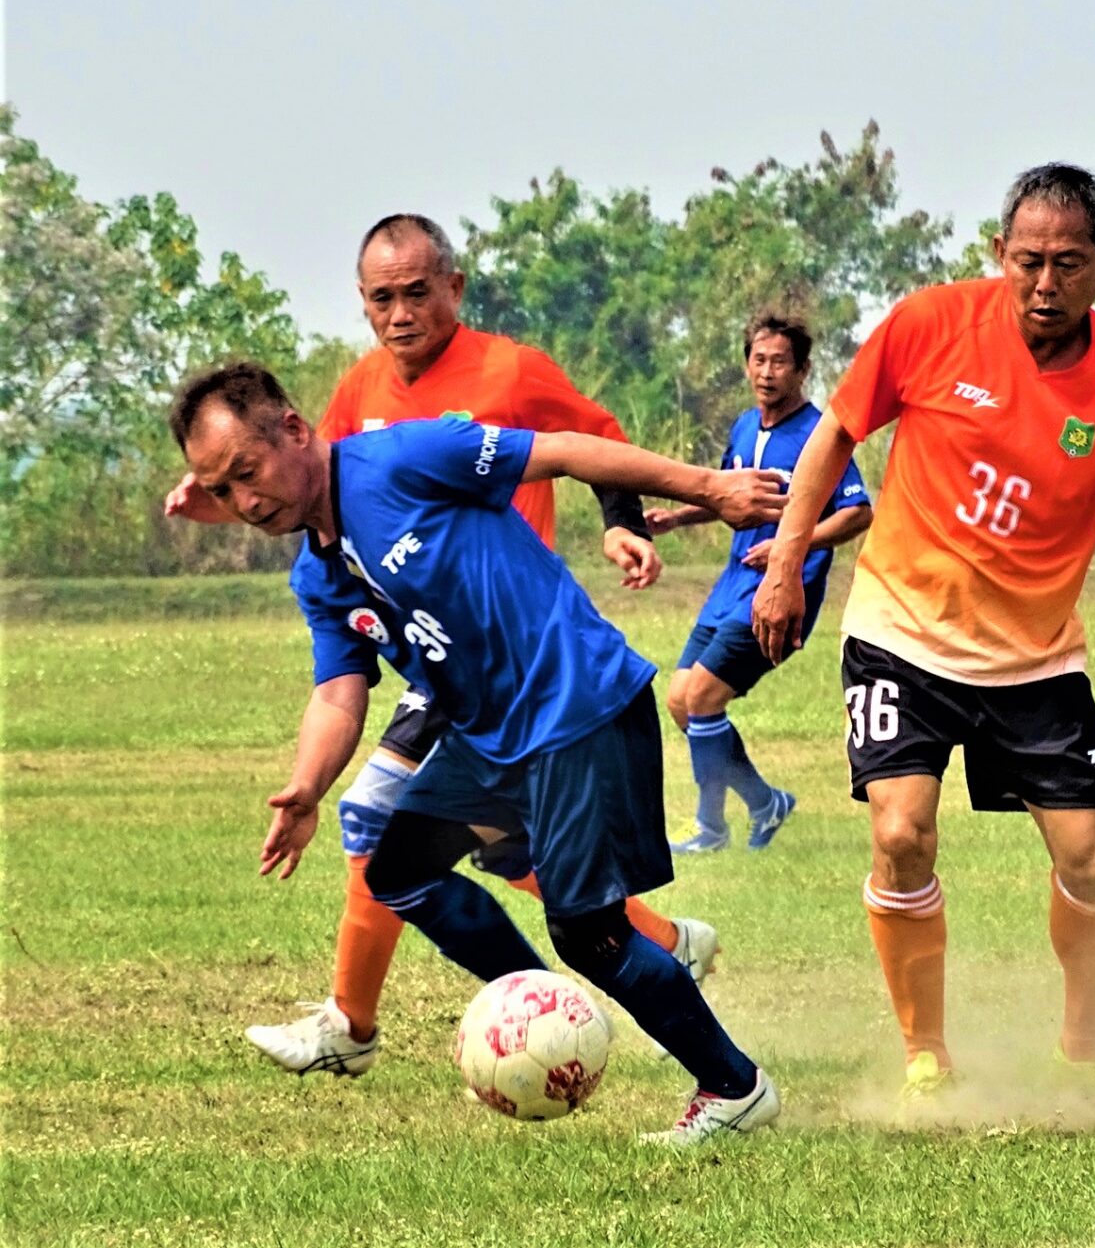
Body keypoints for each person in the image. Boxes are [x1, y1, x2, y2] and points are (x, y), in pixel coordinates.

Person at [751, 163, 1095, 1099]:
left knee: (1094, 860)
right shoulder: (929, 325)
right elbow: (835, 436)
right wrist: (784, 565)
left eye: (1068, 264)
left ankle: (1084, 1052)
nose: (1045, 284)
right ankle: (926, 1054)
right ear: (998, 254)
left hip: (1036, 659)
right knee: (901, 830)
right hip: (901, 631)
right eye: (1027, 262)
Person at [169, 361, 788, 1143]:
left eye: (247, 471)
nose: (245, 501)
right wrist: (306, 786)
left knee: (590, 932)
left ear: (293, 430)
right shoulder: (318, 576)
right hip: (489, 739)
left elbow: (566, 449)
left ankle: (735, 1088)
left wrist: (711, 488)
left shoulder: (401, 458)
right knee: (399, 869)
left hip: (574, 703)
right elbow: (338, 693)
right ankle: (541, 1012)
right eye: (222, 491)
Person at [166, 214, 717, 1077]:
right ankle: (558, 993)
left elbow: (589, 439)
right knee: (437, 846)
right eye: (381, 298)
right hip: (441, 667)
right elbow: (313, 493)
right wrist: (229, 489)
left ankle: (401, 1017)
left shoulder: (507, 371)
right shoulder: (359, 393)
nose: (400, 314)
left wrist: (625, 524)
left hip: (529, 654)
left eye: (416, 292)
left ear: (453, 288)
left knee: (445, 846)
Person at [646, 312, 872, 854]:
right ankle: (764, 802)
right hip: (731, 586)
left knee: (702, 697)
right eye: (759, 360)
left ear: (803, 370)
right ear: (747, 364)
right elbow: (728, 497)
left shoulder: (821, 434)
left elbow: (858, 513)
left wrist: (792, 546)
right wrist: (677, 518)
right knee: (680, 702)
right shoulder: (745, 427)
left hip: (782, 591)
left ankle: (710, 828)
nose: (767, 372)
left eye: (780, 362)